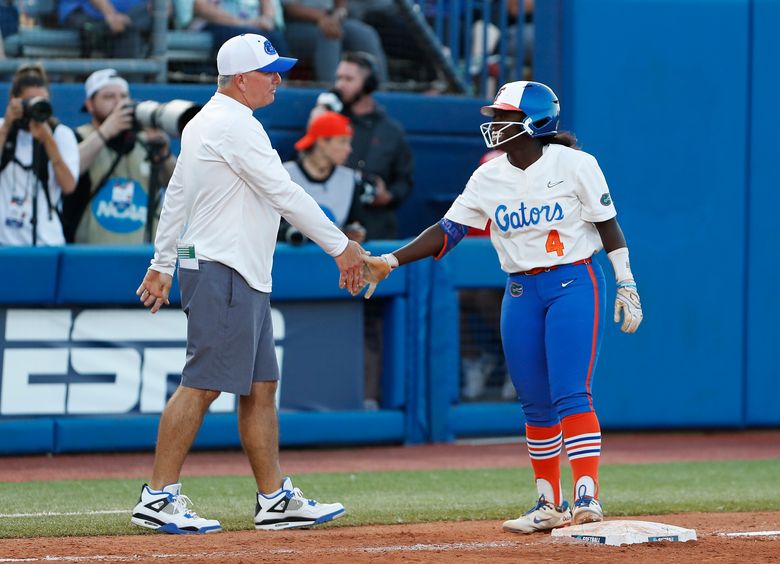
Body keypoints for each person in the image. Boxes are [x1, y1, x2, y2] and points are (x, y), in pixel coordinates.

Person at [357, 81, 644, 533]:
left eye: (504, 116)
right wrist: (391, 260)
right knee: (534, 402)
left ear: (533, 122)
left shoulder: (575, 164)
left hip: (573, 281)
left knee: (571, 392)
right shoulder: (489, 174)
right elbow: (448, 230)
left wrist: (626, 281)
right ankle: (549, 502)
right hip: (520, 290)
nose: (493, 124)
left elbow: (608, 227)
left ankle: (587, 494)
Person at [132, 33, 366, 534]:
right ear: (242, 79)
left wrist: (163, 261)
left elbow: (176, 194)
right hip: (224, 268)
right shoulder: (233, 124)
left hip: (236, 269)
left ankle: (274, 499)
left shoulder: (209, 121)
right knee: (202, 383)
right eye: (270, 71)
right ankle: (158, 496)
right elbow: (284, 192)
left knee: (261, 387)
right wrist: (341, 247)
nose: (278, 79)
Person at [62, 69, 177, 244]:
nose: (119, 103)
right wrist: (106, 131)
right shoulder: (77, 137)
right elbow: (67, 172)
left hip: (144, 255)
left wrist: (164, 154)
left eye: (123, 96)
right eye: (109, 97)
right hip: (91, 254)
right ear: (90, 104)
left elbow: (178, 185)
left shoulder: (145, 140)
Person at [322, 51, 413, 240]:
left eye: (348, 79)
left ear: (368, 84)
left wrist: (387, 195)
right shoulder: (328, 120)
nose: (340, 85)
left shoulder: (391, 131)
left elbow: (404, 180)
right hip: (333, 226)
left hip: (375, 228)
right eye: (338, 78)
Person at [0, 64, 78, 246]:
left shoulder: (61, 134)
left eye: (41, 101)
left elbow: (68, 186)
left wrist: (48, 141)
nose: (34, 107)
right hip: (4, 245)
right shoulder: (2, 128)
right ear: (14, 100)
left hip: (46, 243)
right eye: (29, 101)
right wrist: (6, 127)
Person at [280, 110, 366, 245]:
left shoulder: (350, 179)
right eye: (342, 141)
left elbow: (358, 223)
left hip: (332, 262)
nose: (349, 149)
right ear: (321, 142)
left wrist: (354, 233)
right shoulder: (283, 174)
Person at [282, 0, 388, 84]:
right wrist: (322, 18)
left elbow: (341, 5)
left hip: (331, 19)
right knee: (330, 36)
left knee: (366, 35)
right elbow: (290, 9)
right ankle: (333, 94)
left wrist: (338, 14)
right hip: (295, 25)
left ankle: (381, 94)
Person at [58, 0, 151, 58]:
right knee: (127, 32)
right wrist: (111, 14)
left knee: (130, 28)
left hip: (135, 19)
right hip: (89, 17)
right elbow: (114, 21)